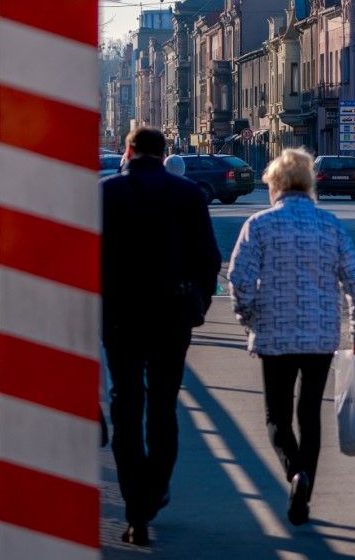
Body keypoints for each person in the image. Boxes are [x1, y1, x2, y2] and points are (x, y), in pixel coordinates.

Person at [229, 148, 355, 527]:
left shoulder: (258, 225)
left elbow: (240, 280)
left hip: (274, 335)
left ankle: (294, 473)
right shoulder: (330, 225)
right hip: (320, 336)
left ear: (275, 185)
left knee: (276, 416)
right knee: (309, 414)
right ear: (309, 184)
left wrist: (249, 319)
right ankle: (305, 488)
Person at [102, 126, 222, 547]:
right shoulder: (188, 194)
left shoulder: (106, 193)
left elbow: (86, 259)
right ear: (164, 151)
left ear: (129, 150)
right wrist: (199, 307)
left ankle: (136, 510)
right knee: (164, 404)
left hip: (120, 318)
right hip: (172, 317)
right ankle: (156, 487)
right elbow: (209, 260)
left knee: (126, 406)